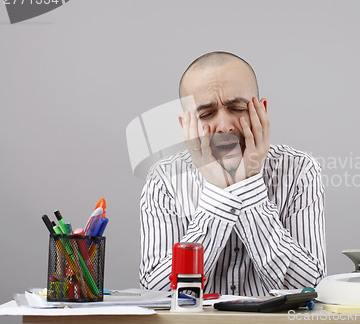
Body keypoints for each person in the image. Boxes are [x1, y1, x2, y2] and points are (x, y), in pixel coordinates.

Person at [139, 51, 326, 296]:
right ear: (186, 125)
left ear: (261, 111)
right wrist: (218, 193)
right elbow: (158, 292)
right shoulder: (163, 179)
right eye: (206, 114)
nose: (225, 125)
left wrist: (248, 185)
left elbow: (307, 288)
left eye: (237, 108)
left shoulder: (300, 170)